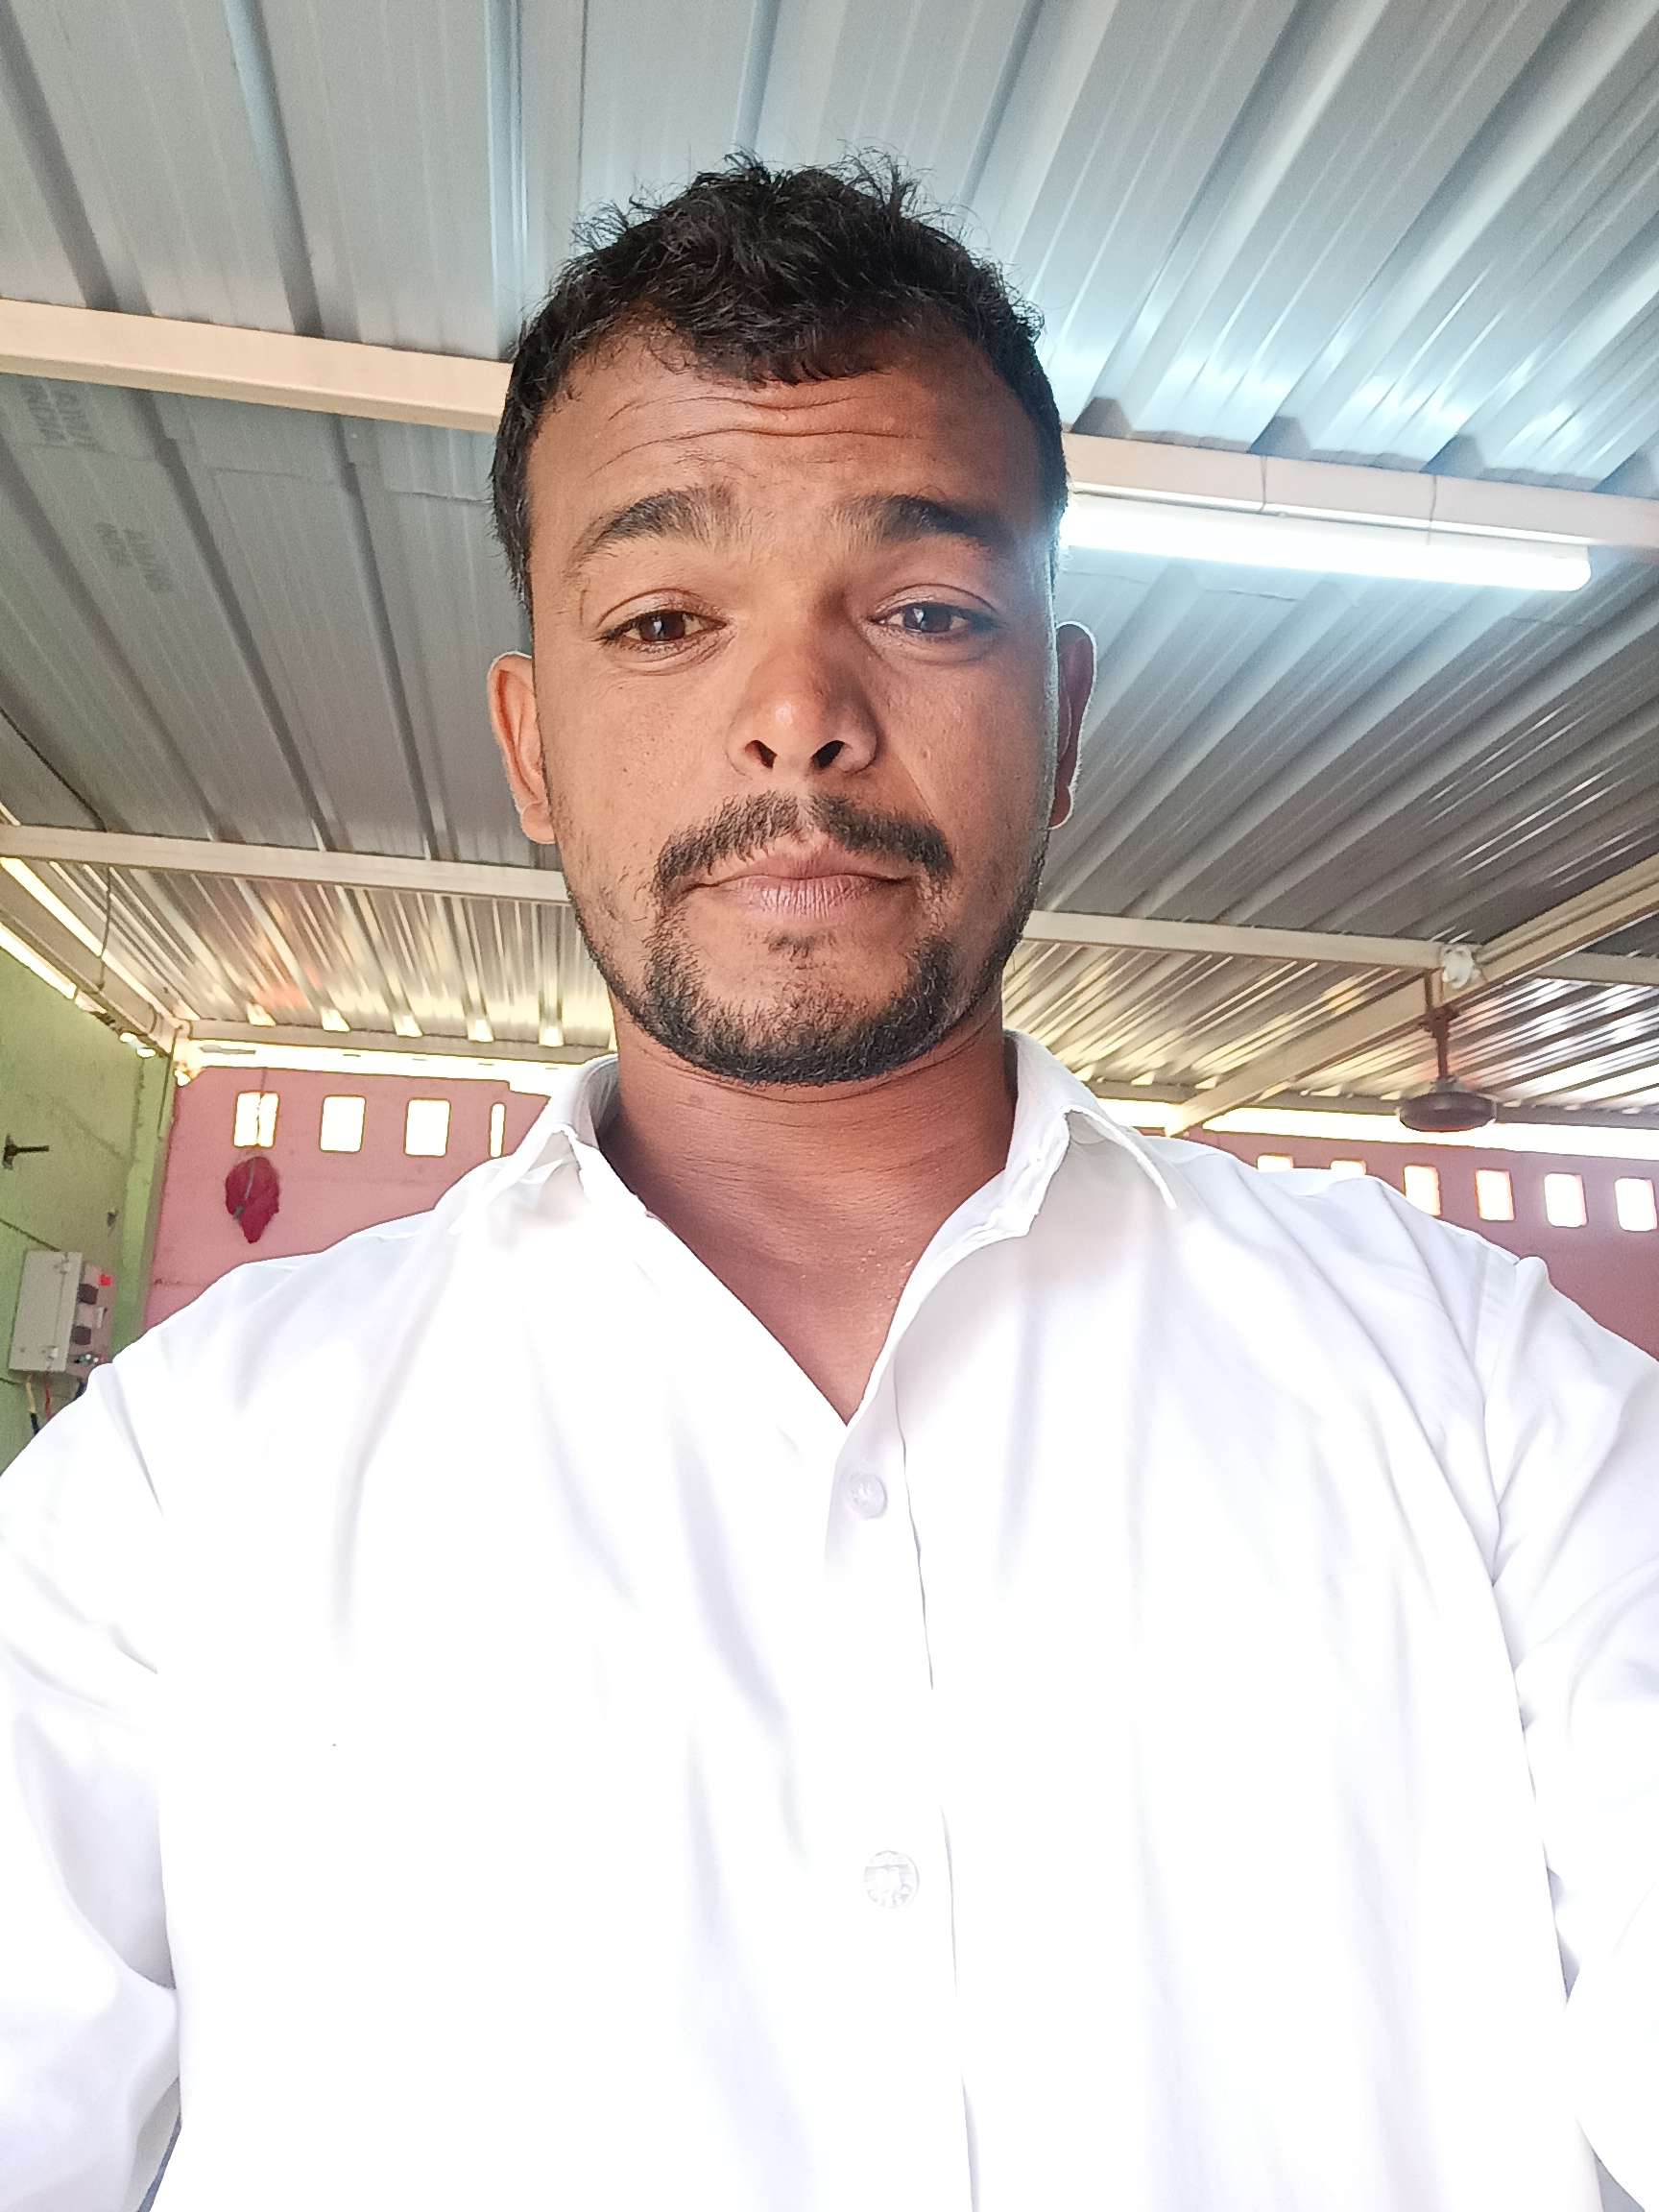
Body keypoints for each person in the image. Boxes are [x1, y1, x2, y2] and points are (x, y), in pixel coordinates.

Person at [1, 156, 1654, 2212]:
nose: (798, 719)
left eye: (929, 610)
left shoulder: (1488, 1407)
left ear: (1061, 719)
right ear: (531, 747)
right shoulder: (176, 1489)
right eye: (664, 620)